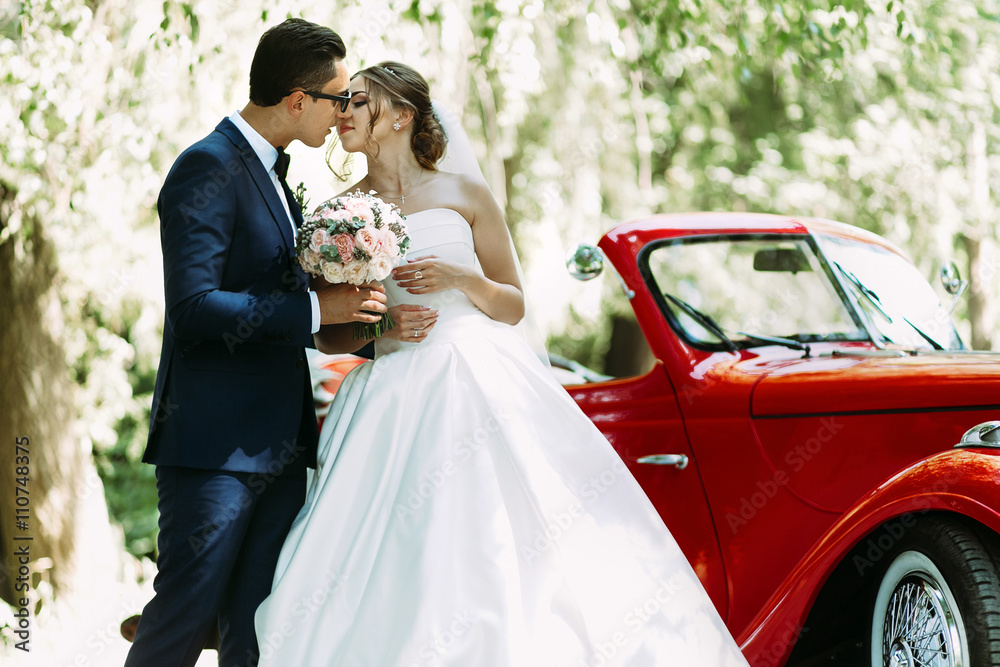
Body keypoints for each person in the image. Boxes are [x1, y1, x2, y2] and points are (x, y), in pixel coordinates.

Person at [253, 62, 750, 666]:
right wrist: (379, 327)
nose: (343, 113)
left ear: (403, 115)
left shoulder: (465, 194)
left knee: (505, 537)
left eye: (358, 102)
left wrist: (462, 278)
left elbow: (512, 305)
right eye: (343, 103)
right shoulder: (338, 215)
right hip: (390, 392)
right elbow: (327, 336)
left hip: (477, 376)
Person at [125, 19, 388, 667]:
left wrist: (367, 325)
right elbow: (194, 308)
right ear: (298, 99)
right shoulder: (206, 168)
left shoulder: (276, 175)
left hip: (279, 447)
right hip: (213, 447)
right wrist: (312, 305)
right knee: (182, 622)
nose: (344, 112)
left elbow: (280, 307)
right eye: (339, 97)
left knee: (256, 632)